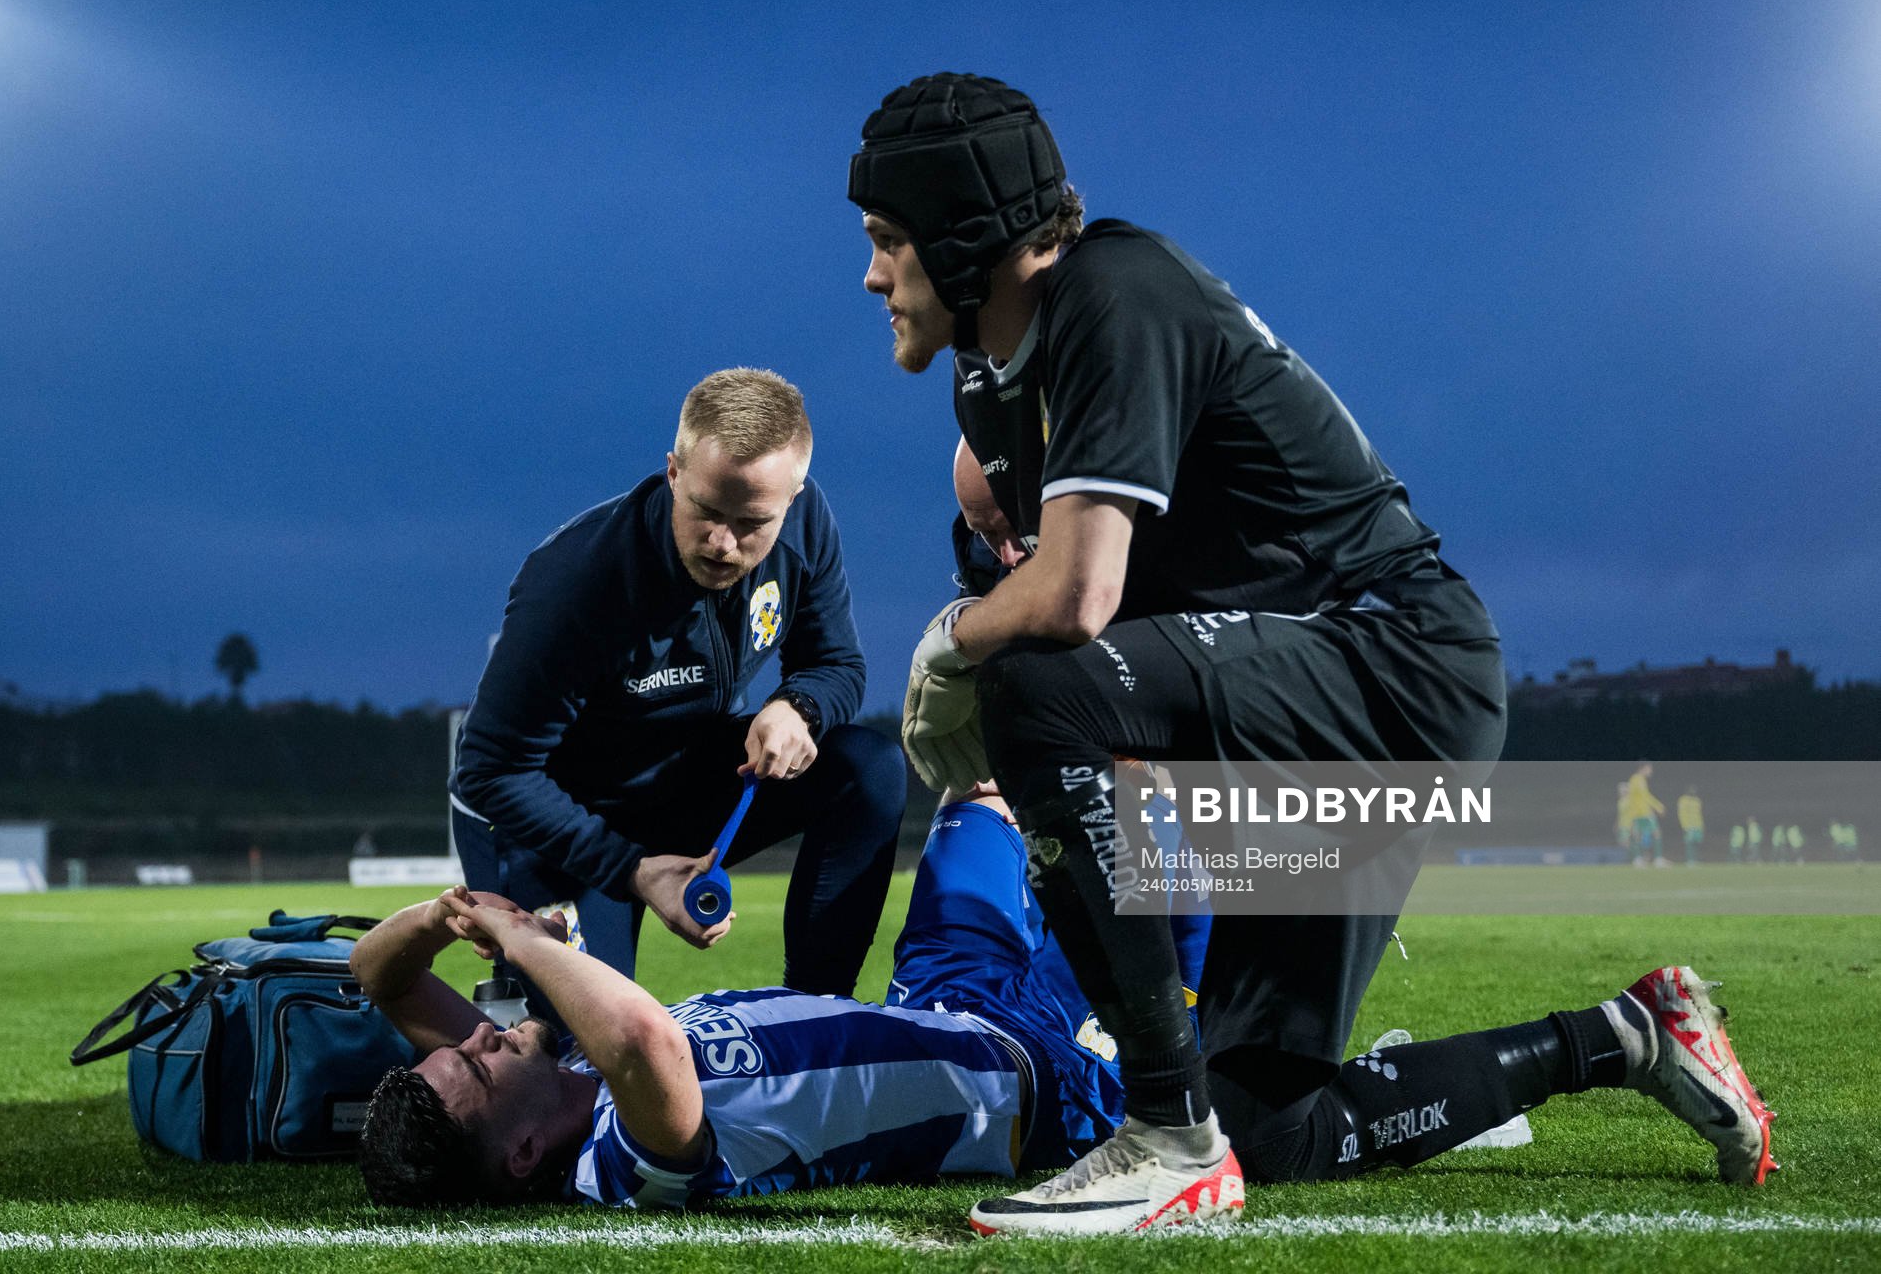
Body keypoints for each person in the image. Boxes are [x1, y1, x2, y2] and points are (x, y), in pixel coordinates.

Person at [847, 73, 1775, 1233]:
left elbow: (1076, 599)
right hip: (1313, 700)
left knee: (1034, 677)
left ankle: (1164, 1138)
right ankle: (1625, 1034)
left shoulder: (1112, 297)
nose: (875, 274)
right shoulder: (993, 380)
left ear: (964, 233)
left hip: (1394, 665)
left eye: (890, 241)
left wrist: (949, 642)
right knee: (1271, 1126)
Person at [352, 798, 1194, 1208]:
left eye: (464, 1046)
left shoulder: (558, 1074)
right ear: (525, 1153)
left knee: (974, 804)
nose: (484, 1038)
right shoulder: (622, 1165)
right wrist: (527, 940)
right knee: (1184, 831)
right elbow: (649, 1040)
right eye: (476, 1066)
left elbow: (377, 976)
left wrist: (441, 916)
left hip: (945, 1003)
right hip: (1043, 1074)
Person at [450, 368, 906, 1007]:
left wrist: (796, 707)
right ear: (673, 472)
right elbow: (491, 771)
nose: (723, 543)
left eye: (751, 523)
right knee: (584, 1064)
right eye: (706, 512)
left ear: (794, 499)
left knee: (870, 768)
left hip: (678, 779)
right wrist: (635, 871)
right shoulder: (577, 585)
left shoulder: (805, 528)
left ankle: (812, 1021)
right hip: (552, 819)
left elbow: (837, 666)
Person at [1624, 761, 1667, 868]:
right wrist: (1658, 807)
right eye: (1649, 768)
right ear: (1642, 768)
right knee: (1656, 833)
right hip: (1643, 812)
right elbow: (1644, 796)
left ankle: (1638, 859)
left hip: (1638, 813)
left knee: (1638, 835)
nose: (1650, 771)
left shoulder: (1635, 779)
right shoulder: (1638, 780)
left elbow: (1636, 797)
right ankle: (1658, 859)